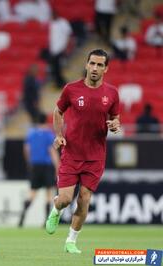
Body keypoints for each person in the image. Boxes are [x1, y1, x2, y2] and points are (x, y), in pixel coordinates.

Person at [45, 49, 120, 253]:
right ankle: (57, 207)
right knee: (66, 199)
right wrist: (59, 134)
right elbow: (58, 111)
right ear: (86, 65)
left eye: (99, 65)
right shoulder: (71, 89)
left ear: (106, 68)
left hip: (95, 157)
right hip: (71, 153)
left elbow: (115, 118)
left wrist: (114, 125)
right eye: (92, 64)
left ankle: (71, 240)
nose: (95, 68)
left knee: (84, 198)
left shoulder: (112, 93)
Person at [18, 113, 59, 227]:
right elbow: (52, 151)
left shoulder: (31, 133)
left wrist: (29, 162)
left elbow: (26, 149)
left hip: (35, 166)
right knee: (49, 194)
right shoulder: (49, 135)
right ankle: (46, 222)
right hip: (47, 166)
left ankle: (22, 216)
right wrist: (57, 167)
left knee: (32, 193)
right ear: (46, 121)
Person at [49, 10, 72, 88]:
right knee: (55, 68)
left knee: (58, 67)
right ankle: (59, 83)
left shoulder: (63, 22)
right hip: (53, 49)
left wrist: (67, 46)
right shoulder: (51, 23)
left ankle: (61, 83)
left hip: (61, 48)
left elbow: (69, 34)